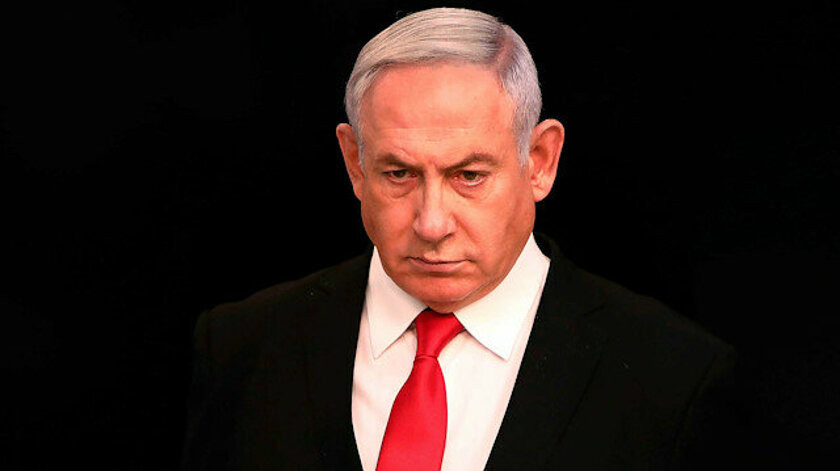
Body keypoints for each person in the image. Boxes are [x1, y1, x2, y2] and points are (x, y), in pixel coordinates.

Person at [182, 7, 735, 470]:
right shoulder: (240, 346)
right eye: (399, 173)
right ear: (354, 162)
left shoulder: (675, 376)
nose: (431, 223)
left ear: (540, 161)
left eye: (469, 175)